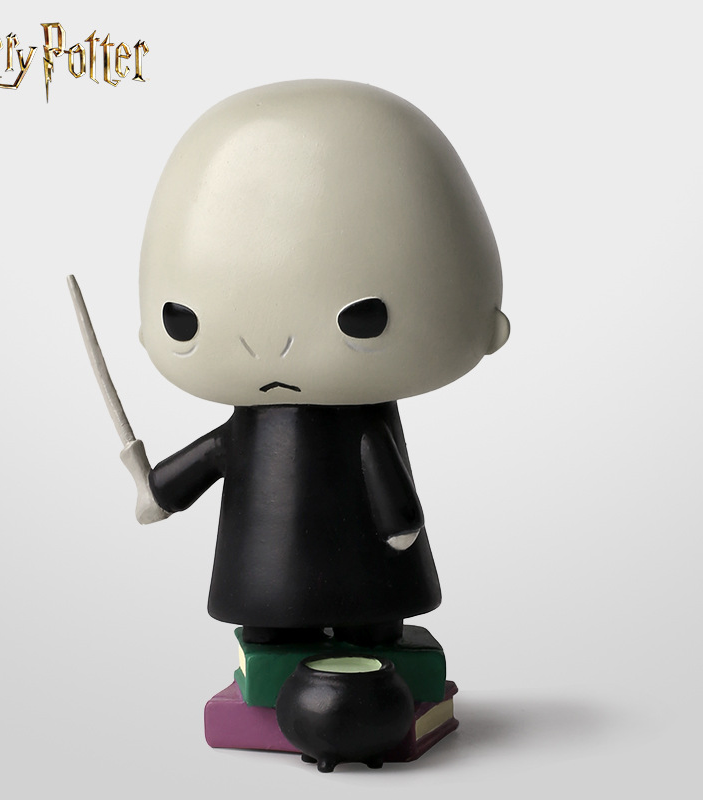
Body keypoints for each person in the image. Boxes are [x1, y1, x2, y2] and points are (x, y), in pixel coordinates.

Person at [123, 79, 510, 646]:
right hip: (271, 575)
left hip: (363, 572)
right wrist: (159, 489)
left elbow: (377, 467)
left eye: (362, 321)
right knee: (274, 628)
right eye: (183, 322)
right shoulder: (264, 429)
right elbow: (215, 454)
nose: (271, 347)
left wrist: (399, 521)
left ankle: (359, 635)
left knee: (371, 626)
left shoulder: (357, 425)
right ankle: (278, 646)